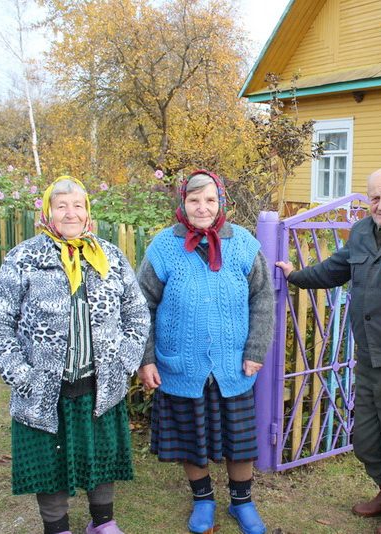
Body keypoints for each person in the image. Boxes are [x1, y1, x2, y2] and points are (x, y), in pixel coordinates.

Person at [276, 167, 381, 534]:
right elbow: (335, 269)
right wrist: (295, 276)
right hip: (368, 352)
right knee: (367, 436)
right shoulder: (361, 231)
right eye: (375, 198)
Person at [0, 176, 150, 534]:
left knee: (101, 455)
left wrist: (125, 362)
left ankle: (103, 523)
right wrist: (21, 375)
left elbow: (137, 314)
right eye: (61, 205)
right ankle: (57, 527)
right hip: (43, 386)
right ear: (48, 212)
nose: (70, 213)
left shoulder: (110, 257)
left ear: (87, 211)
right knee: (49, 461)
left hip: (100, 382)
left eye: (78, 205)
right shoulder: (25, 258)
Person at [136, 170, 275, 534]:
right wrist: (146, 358)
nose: (202, 207)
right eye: (194, 199)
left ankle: (242, 502)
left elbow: (262, 298)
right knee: (190, 438)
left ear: (221, 203)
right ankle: (203, 500)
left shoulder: (242, 243)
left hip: (233, 364)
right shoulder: (164, 246)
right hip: (179, 364)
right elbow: (141, 305)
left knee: (239, 440)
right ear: (183, 203)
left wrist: (256, 348)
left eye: (210, 199)